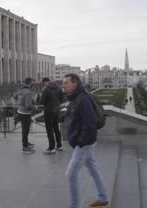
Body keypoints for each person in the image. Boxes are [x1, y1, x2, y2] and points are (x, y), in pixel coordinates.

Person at [63, 73, 109, 208]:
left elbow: (90, 124)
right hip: (86, 142)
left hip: (85, 144)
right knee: (92, 168)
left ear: (75, 83)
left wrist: (80, 142)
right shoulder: (76, 97)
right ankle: (103, 198)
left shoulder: (82, 99)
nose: (63, 85)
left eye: (66, 83)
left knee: (70, 175)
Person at [40, 77, 63, 154]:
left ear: (45, 82)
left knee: (49, 130)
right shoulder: (59, 88)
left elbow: (42, 101)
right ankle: (59, 146)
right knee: (56, 128)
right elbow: (61, 100)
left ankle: (51, 148)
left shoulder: (46, 89)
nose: (44, 85)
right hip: (57, 111)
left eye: (43, 83)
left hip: (49, 111)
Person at [14, 77, 35, 153]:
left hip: (20, 112)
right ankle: (25, 147)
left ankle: (26, 143)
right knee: (25, 131)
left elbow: (15, 97)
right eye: (32, 82)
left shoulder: (20, 89)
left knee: (24, 130)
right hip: (25, 113)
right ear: (30, 83)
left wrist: (20, 103)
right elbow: (28, 106)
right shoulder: (28, 92)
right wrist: (34, 107)